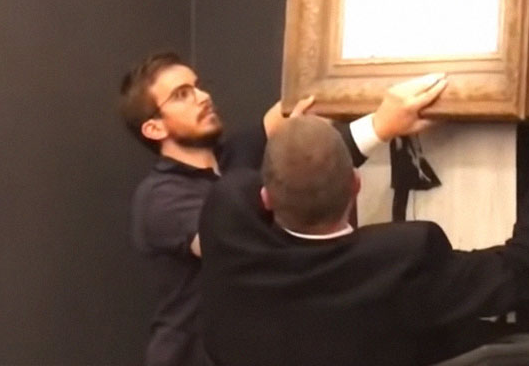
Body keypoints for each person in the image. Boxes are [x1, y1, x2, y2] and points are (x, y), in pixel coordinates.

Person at [198, 80, 529, 366]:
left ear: (265, 198)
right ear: (356, 185)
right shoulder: (402, 260)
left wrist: (378, 127)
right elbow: (521, 273)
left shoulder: (226, 221)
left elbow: (262, 182)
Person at [119, 52, 449, 365]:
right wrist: (378, 127)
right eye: (181, 95)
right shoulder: (162, 198)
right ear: (154, 128)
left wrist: (334, 83)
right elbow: (254, 226)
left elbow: (291, 112)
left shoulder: (235, 155)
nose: (203, 96)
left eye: (198, 86)